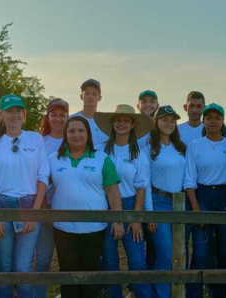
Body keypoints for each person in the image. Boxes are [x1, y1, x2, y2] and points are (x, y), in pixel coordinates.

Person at [0, 94, 50, 298]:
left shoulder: (35, 138)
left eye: (18, 111)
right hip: (1, 205)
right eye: (9, 111)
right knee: (5, 266)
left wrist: (34, 213)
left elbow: (43, 177)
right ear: (1, 115)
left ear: (24, 115)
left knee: (23, 267)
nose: (14, 115)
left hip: (29, 205)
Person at [48, 116, 125, 298]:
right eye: (71, 131)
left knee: (90, 272)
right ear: (65, 134)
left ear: (88, 134)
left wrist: (117, 221)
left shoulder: (101, 158)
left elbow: (112, 191)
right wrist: (45, 213)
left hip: (94, 227)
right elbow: (41, 187)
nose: (76, 135)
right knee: (67, 272)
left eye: (81, 131)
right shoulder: (53, 159)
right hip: (63, 227)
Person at [95, 104, 153, 298]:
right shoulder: (100, 150)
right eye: (118, 120)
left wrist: (136, 218)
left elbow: (141, 187)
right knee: (110, 261)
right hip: (105, 206)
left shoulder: (139, 154)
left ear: (132, 124)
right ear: (112, 123)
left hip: (130, 205)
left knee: (137, 261)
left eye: (126, 120)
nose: (121, 123)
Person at [183, 103, 226, 298]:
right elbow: (189, 179)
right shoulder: (195, 146)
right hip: (202, 196)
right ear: (203, 122)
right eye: (209, 118)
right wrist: (196, 208)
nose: (213, 121)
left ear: (223, 121)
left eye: (217, 118)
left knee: (224, 251)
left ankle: (220, 293)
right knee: (200, 250)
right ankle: (193, 293)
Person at [144, 105, 187, 298]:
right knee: (166, 254)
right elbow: (144, 181)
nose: (169, 123)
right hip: (157, 201)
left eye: (172, 120)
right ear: (156, 121)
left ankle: (172, 292)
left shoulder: (180, 147)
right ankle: (160, 294)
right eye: (164, 119)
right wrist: (150, 211)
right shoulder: (148, 147)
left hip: (179, 203)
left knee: (178, 253)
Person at [31, 98, 70, 298]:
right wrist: (44, 208)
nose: (57, 118)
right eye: (53, 114)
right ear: (47, 116)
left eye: (62, 114)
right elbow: (37, 177)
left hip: (67, 207)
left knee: (68, 258)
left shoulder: (73, 139)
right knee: (44, 257)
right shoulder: (40, 141)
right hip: (45, 207)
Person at [71, 79, 110, 146]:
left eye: (94, 94)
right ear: (81, 96)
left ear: (99, 98)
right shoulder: (71, 120)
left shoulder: (106, 122)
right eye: (87, 93)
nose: (90, 97)